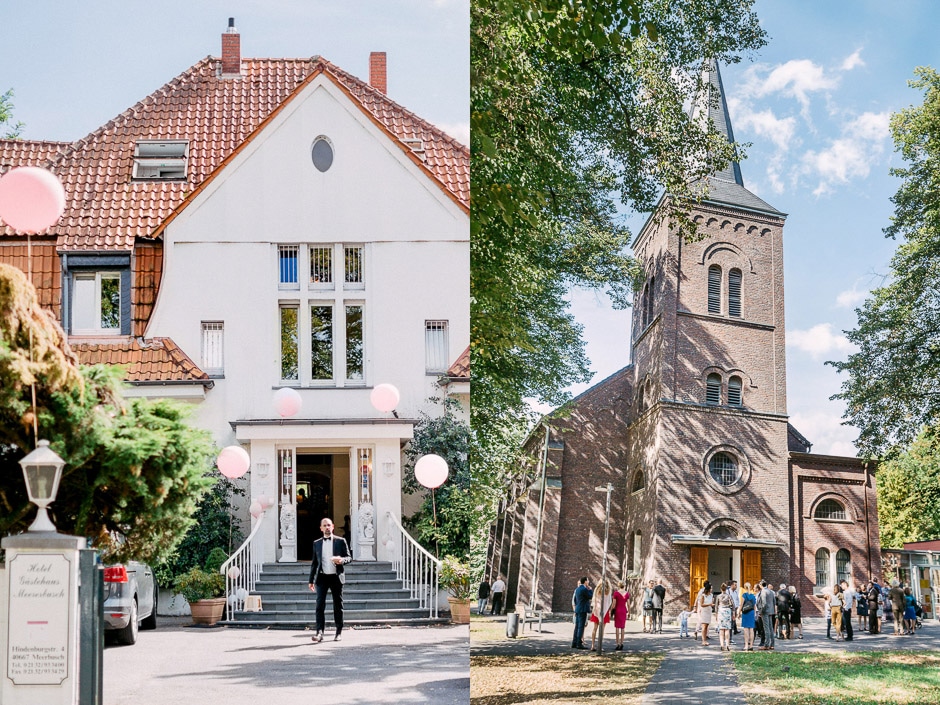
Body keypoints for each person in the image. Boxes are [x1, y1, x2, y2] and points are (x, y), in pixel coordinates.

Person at [308, 517, 352, 643]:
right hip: (322, 577)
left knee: (338, 605)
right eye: (324, 525)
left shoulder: (341, 541)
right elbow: (314, 563)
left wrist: (342, 560)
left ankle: (338, 632)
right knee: (319, 605)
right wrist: (311, 580)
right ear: (321, 528)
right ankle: (319, 632)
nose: (327, 527)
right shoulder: (317, 543)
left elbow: (349, 557)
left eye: (329, 525)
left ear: (332, 527)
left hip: (336, 577)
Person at [589, 578, 613, 651]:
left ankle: (593, 645)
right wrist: (608, 611)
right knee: (602, 630)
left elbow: (593, 600)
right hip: (604, 611)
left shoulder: (597, 590)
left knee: (595, 628)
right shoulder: (608, 591)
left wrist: (594, 609)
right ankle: (600, 645)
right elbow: (609, 602)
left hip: (596, 610)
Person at [571, 577, 593, 649]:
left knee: (577, 626)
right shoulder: (584, 589)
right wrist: (590, 590)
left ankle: (574, 642)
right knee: (581, 627)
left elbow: (575, 600)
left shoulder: (577, 589)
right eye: (588, 580)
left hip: (578, 609)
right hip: (583, 609)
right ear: (585, 581)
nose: (588, 581)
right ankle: (579, 643)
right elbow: (590, 596)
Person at [611, 581, 630, 650]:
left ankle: (617, 643)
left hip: (618, 611)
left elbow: (613, 604)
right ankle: (622, 643)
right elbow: (628, 604)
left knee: (617, 627)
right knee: (622, 627)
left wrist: (611, 611)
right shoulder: (627, 594)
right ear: (624, 586)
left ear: (618, 586)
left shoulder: (616, 593)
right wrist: (629, 612)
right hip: (623, 611)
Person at [757, 580, 776, 650]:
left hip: (765, 612)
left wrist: (761, 611)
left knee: (766, 628)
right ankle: (772, 644)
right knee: (771, 628)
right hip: (771, 611)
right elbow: (774, 602)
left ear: (761, 585)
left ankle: (766, 644)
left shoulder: (763, 592)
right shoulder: (771, 591)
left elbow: (764, 603)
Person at [694, 580, 714, 646]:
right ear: (708, 589)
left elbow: (711, 602)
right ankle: (703, 640)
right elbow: (702, 604)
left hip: (709, 611)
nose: (712, 589)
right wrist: (709, 604)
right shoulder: (703, 595)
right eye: (711, 588)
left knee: (707, 626)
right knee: (704, 626)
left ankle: (705, 638)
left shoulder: (711, 595)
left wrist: (712, 604)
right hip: (704, 612)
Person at [739, 582, 757, 651]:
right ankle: (751, 645)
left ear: (744, 588)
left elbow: (741, 605)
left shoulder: (744, 595)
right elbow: (755, 606)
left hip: (745, 612)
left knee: (746, 629)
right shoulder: (753, 596)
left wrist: (738, 613)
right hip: (751, 612)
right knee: (751, 629)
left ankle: (746, 645)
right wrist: (755, 613)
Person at [716, 582, 734, 651]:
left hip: (721, 611)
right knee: (727, 629)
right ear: (726, 589)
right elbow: (733, 605)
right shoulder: (729, 596)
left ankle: (722, 645)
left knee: (721, 629)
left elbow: (716, 606)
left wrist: (716, 615)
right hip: (727, 611)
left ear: (721, 589)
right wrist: (733, 613)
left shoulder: (718, 596)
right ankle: (727, 644)